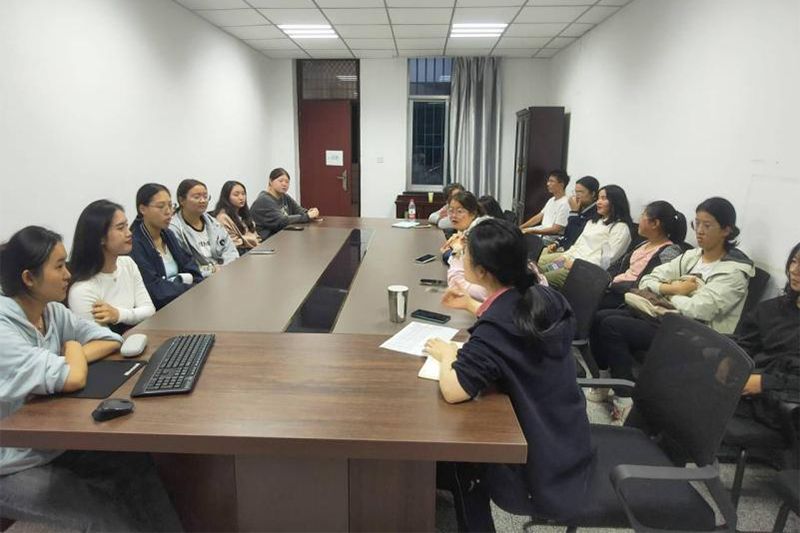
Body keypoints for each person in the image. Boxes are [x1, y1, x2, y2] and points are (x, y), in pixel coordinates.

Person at [0, 228, 177, 532]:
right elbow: (72, 377)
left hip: (50, 443)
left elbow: (110, 340)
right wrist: (71, 349)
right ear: (29, 278)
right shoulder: (5, 328)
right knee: (95, 515)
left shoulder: (52, 312)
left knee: (134, 463)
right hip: (10, 462)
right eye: (59, 266)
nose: (68, 275)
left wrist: (73, 352)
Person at [423, 219, 592, 531]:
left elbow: (454, 389)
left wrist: (447, 354)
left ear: (482, 272)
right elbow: (516, 326)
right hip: (568, 433)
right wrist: (473, 305)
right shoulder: (544, 297)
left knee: (459, 458)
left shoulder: (497, 327)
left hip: (537, 458)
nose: (461, 257)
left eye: (465, 255)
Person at [588, 197, 755, 424]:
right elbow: (649, 278)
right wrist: (675, 288)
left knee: (612, 326)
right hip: (666, 318)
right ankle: (606, 380)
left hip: (697, 335)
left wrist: (667, 294)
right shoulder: (693, 256)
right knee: (599, 317)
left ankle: (624, 399)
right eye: (697, 223)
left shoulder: (734, 272)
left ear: (726, 230)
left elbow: (699, 309)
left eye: (707, 225)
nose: (700, 231)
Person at [733, 242, 800, 461]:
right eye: (793, 261)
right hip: (745, 385)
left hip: (780, 402)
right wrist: (729, 364)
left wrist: (764, 383)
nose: (794, 270)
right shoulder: (772, 309)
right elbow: (744, 344)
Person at [67, 200, 155, 334]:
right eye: (120, 228)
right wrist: (133, 316)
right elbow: (102, 339)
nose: (129, 233)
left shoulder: (128, 264)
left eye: (127, 226)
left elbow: (149, 310)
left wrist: (118, 314)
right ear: (100, 237)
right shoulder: (82, 290)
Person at [538, 184, 633, 289]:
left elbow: (606, 260)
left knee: (543, 278)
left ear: (615, 202)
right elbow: (577, 245)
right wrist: (565, 256)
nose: (598, 202)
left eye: (603, 198)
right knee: (539, 269)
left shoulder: (620, 228)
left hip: (584, 271)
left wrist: (576, 265)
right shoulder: (593, 222)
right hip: (569, 261)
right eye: (598, 198)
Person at [599, 200, 687, 309]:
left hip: (628, 297)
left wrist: (613, 286)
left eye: (642, 215)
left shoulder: (669, 252)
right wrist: (604, 279)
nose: (639, 220)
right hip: (614, 288)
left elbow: (648, 284)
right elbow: (619, 265)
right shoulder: (643, 243)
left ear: (655, 223)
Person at [129, 183, 203, 310]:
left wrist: (197, 285)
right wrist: (192, 288)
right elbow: (155, 289)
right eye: (161, 206)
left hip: (183, 302)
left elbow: (190, 265)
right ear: (142, 209)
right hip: (161, 310)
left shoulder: (167, 234)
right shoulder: (135, 243)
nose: (169, 212)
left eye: (170, 205)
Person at [170, 179, 238, 277]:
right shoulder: (174, 229)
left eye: (205, 197)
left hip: (224, 273)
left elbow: (230, 251)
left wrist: (225, 268)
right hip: (198, 279)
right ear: (181, 200)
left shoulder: (214, 223)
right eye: (197, 197)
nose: (202, 200)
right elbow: (183, 266)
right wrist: (211, 271)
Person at [441, 191, 490, 301]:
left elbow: (457, 283)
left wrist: (455, 251)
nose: (454, 216)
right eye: (451, 211)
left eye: (459, 211)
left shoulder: (480, 233)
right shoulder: (470, 229)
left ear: (472, 213)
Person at [251, 168, 319, 240]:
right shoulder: (264, 200)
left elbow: (299, 210)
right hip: (266, 242)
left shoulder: (284, 196)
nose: (284, 184)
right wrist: (307, 216)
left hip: (281, 238)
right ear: (270, 181)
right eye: (280, 181)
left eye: (287, 182)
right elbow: (282, 221)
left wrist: (310, 212)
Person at [212, 180, 261, 255]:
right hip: (237, 255)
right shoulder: (222, 217)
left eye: (243, 194)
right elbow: (231, 242)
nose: (241, 198)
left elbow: (255, 235)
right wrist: (251, 239)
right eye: (236, 195)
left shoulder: (243, 213)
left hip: (253, 250)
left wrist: (249, 240)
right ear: (226, 197)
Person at [519, 170, 570, 242]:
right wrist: (521, 227)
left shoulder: (566, 203)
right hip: (540, 233)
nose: (548, 184)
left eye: (552, 181)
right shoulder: (551, 200)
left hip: (549, 239)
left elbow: (555, 229)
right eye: (548, 181)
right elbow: (538, 217)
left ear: (561, 184)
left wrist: (531, 231)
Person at [554, 175, 600, 250]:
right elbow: (567, 234)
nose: (577, 196)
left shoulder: (597, 212)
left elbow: (576, 237)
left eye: (580, 192)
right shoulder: (579, 208)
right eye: (576, 192)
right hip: (565, 248)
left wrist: (574, 212)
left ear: (593, 194)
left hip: (578, 251)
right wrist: (556, 243)